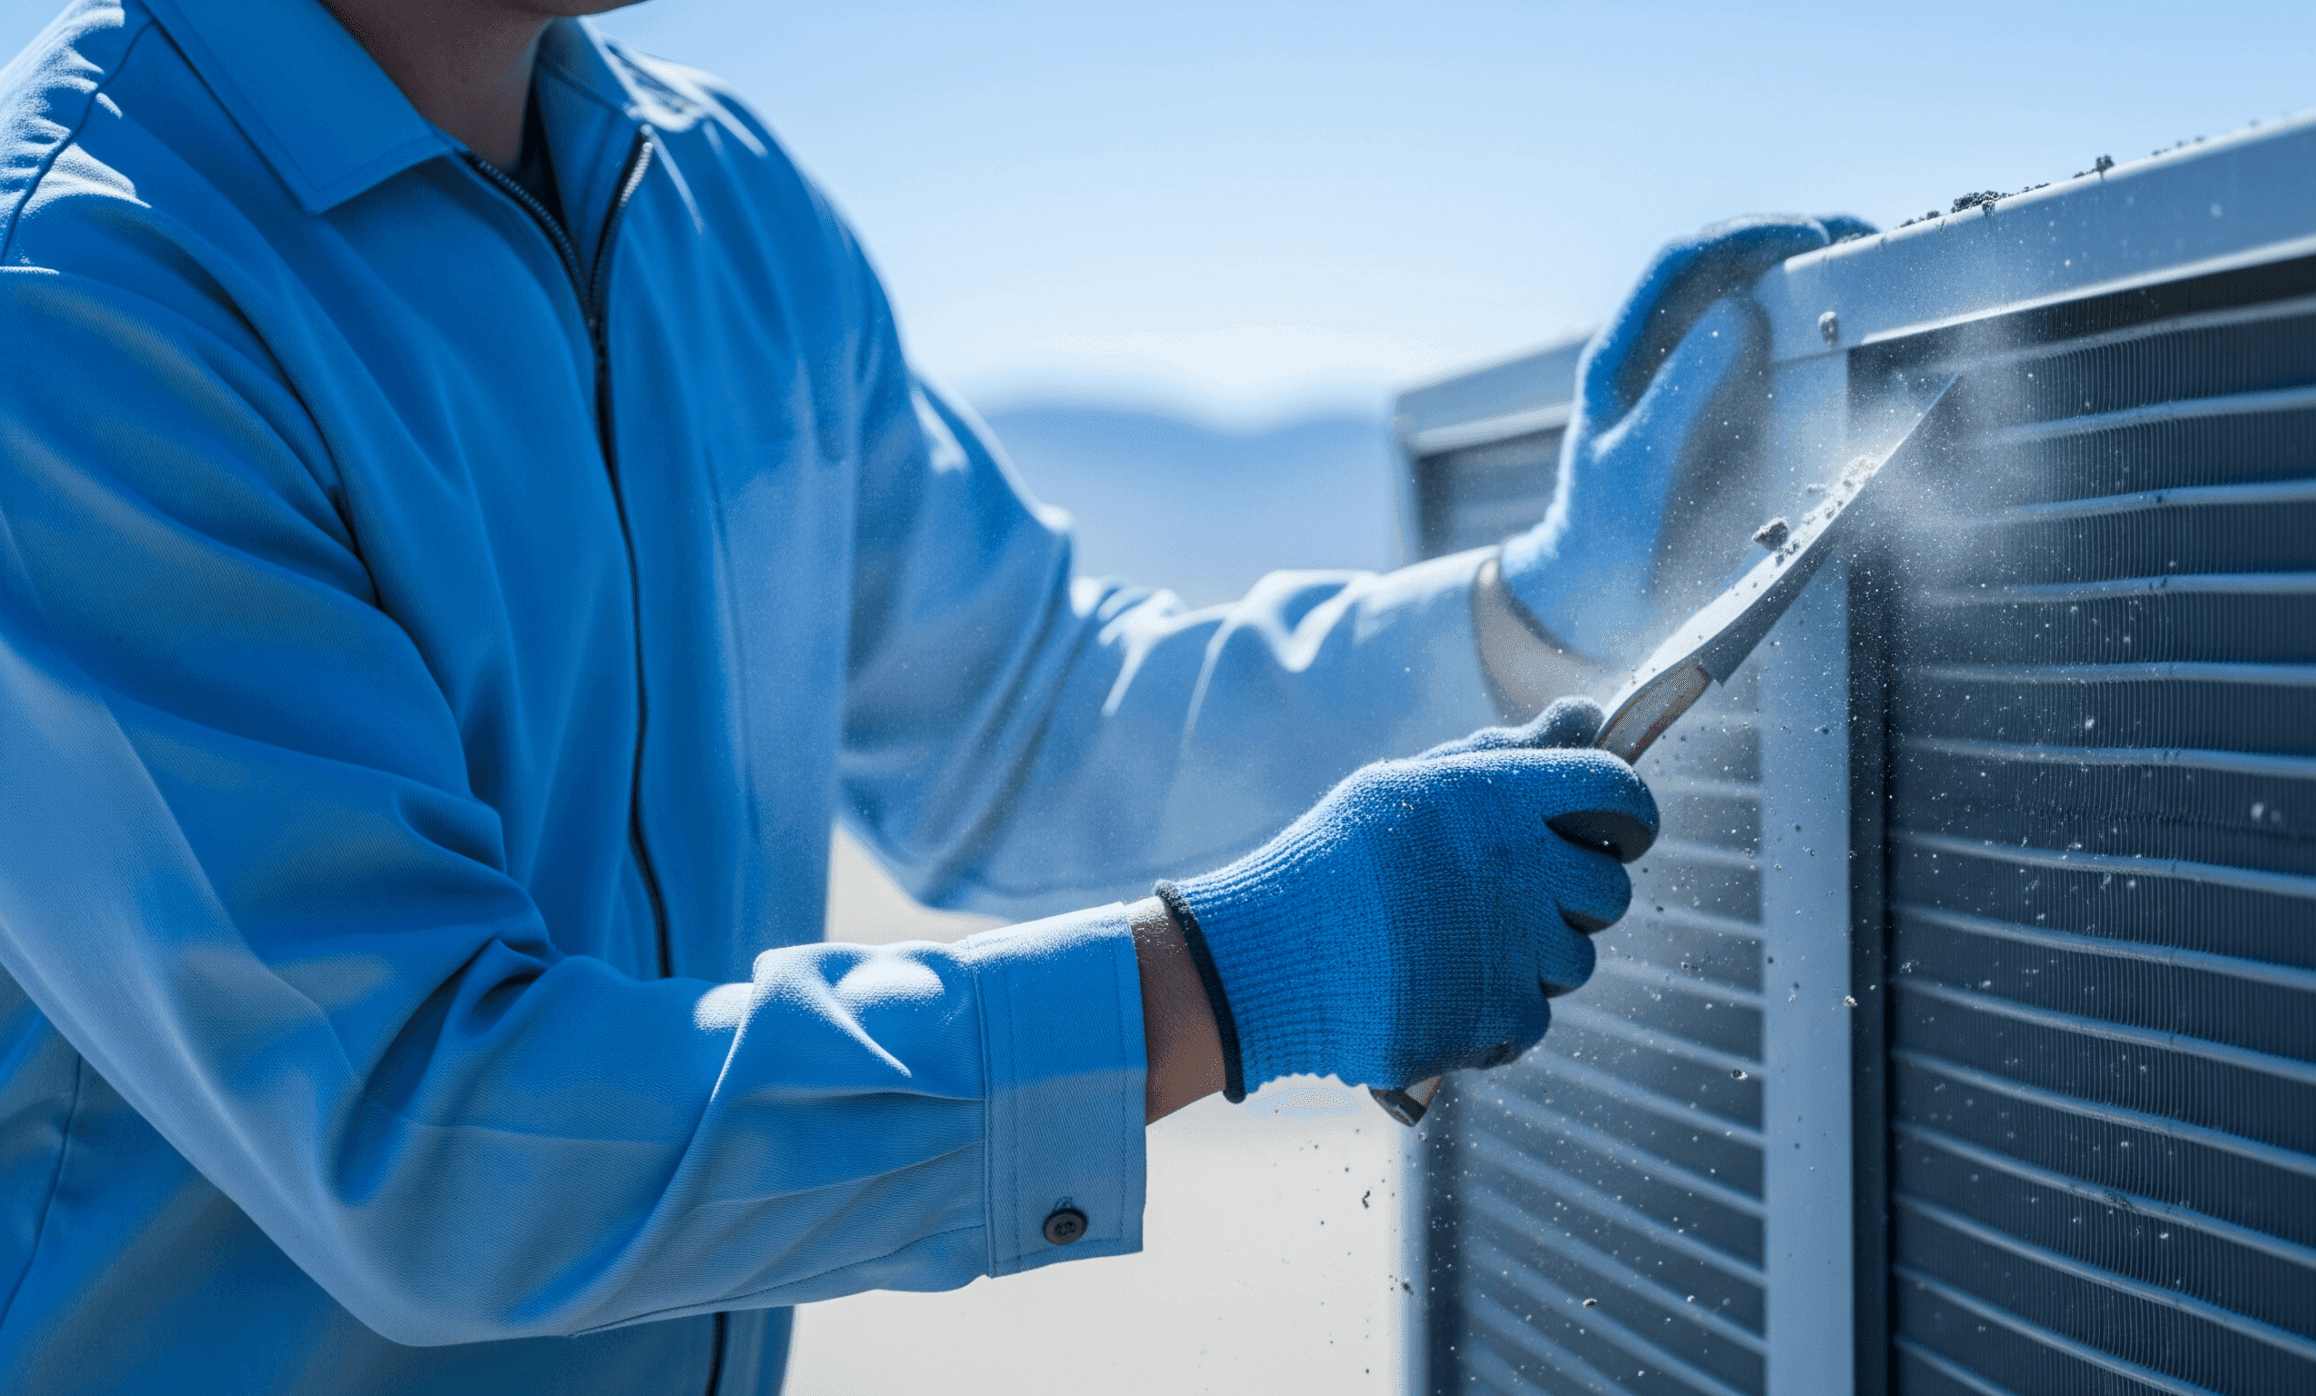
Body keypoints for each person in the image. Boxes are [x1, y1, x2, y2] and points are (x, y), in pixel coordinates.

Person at [0, 0, 1867, 1390]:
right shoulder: (85, 301)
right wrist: (1227, 985)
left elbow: (1034, 729)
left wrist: (1531, 624)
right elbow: (429, 1136)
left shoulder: (716, 211)